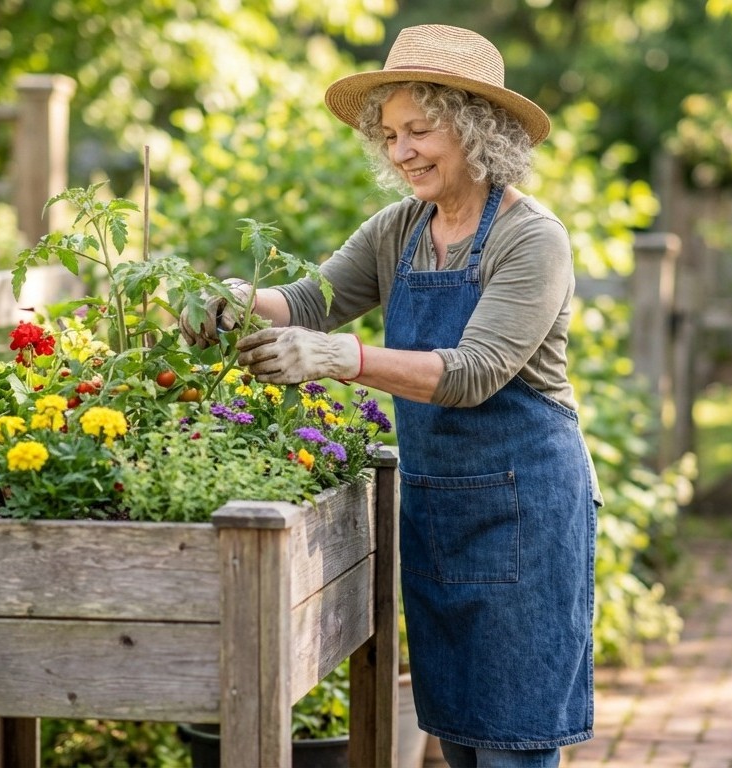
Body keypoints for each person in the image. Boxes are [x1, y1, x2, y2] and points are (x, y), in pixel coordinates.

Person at [183, 23, 598, 768]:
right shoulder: (399, 230)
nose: (401, 151)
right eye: (390, 135)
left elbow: (473, 371)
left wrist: (342, 358)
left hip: (525, 511)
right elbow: (310, 302)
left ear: (475, 130)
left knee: (515, 742)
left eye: (420, 130)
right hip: (441, 506)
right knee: (461, 734)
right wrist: (236, 297)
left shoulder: (531, 239)